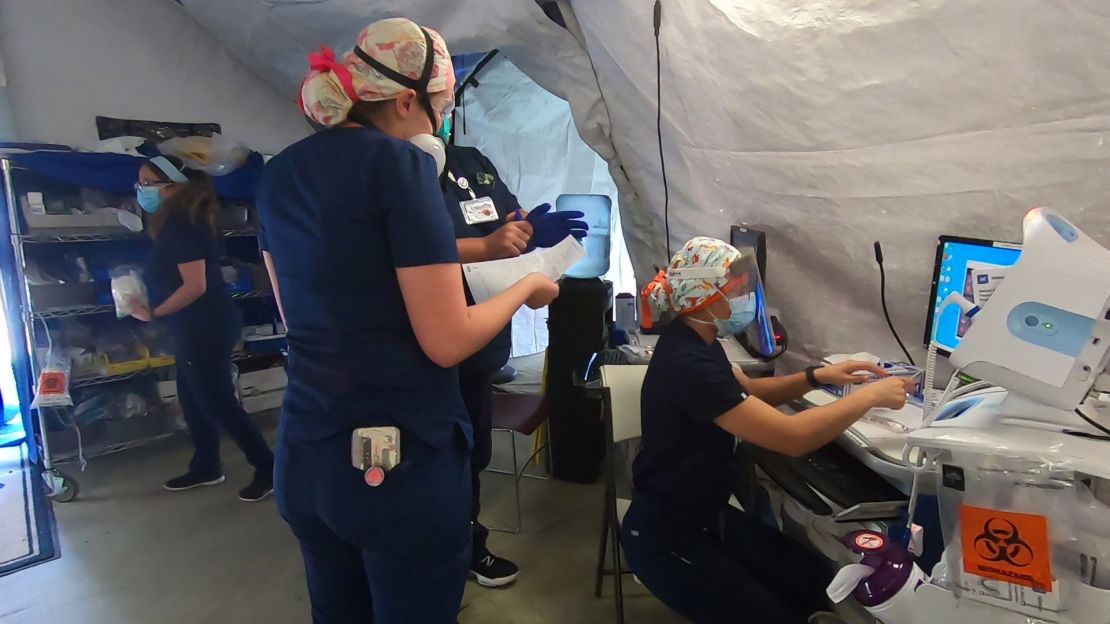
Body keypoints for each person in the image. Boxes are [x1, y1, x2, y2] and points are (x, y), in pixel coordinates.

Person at [256, 19, 560, 624]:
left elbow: (298, 311)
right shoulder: (402, 167)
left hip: (308, 451)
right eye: (440, 106)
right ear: (404, 100)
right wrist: (527, 285)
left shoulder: (279, 173)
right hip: (397, 462)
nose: (440, 122)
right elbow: (447, 341)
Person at [622, 236, 913, 624]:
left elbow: (749, 392)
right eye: (737, 288)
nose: (746, 295)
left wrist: (817, 376)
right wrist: (870, 397)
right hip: (669, 538)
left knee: (812, 579)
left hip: (706, 517)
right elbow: (793, 438)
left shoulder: (698, 339)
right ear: (705, 296)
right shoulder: (689, 364)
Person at [441, 141, 587, 587]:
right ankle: (444, 555)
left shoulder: (470, 161)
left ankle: (467, 546)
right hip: (435, 340)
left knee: (472, 455)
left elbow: (506, 217)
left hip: (481, 341)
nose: (444, 105)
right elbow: (404, 253)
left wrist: (526, 229)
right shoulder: (399, 170)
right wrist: (483, 246)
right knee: (439, 461)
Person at [131, 155, 275, 502]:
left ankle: (269, 468)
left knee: (216, 401)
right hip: (193, 325)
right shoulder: (179, 220)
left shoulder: (183, 224)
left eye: (148, 182)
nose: (141, 189)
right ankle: (207, 465)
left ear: (172, 185)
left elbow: (194, 286)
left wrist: (153, 312)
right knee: (192, 397)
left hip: (203, 326)